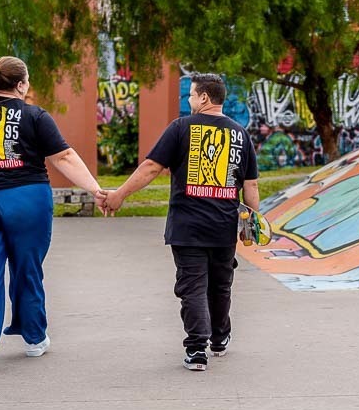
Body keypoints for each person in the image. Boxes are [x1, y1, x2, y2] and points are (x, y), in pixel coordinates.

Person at [0, 56, 106, 372]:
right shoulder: (34, 115)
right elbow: (64, 157)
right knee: (27, 268)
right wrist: (96, 190)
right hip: (27, 201)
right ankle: (34, 339)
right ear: (21, 84)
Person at [102, 73, 259, 371]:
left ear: (204, 97)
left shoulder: (181, 128)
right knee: (220, 285)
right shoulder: (241, 134)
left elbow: (151, 167)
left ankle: (197, 349)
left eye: (191, 95)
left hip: (188, 225)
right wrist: (250, 225)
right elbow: (250, 186)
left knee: (193, 286)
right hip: (224, 225)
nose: (189, 100)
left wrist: (119, 195)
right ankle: (219, 339)